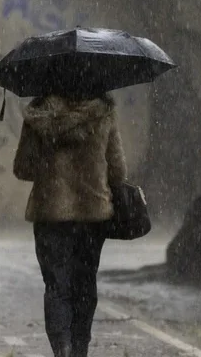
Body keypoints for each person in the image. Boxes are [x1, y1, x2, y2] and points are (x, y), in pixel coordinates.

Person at [13, 93, 127, 357]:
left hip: (50, 214)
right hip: (92, 214)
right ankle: (80, 349)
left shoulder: (38, 114)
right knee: (85, 283)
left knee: (57, 286)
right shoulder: (104, 112)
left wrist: (50, 164)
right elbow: (118, 171)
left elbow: (22, 168)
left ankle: (62, 349)